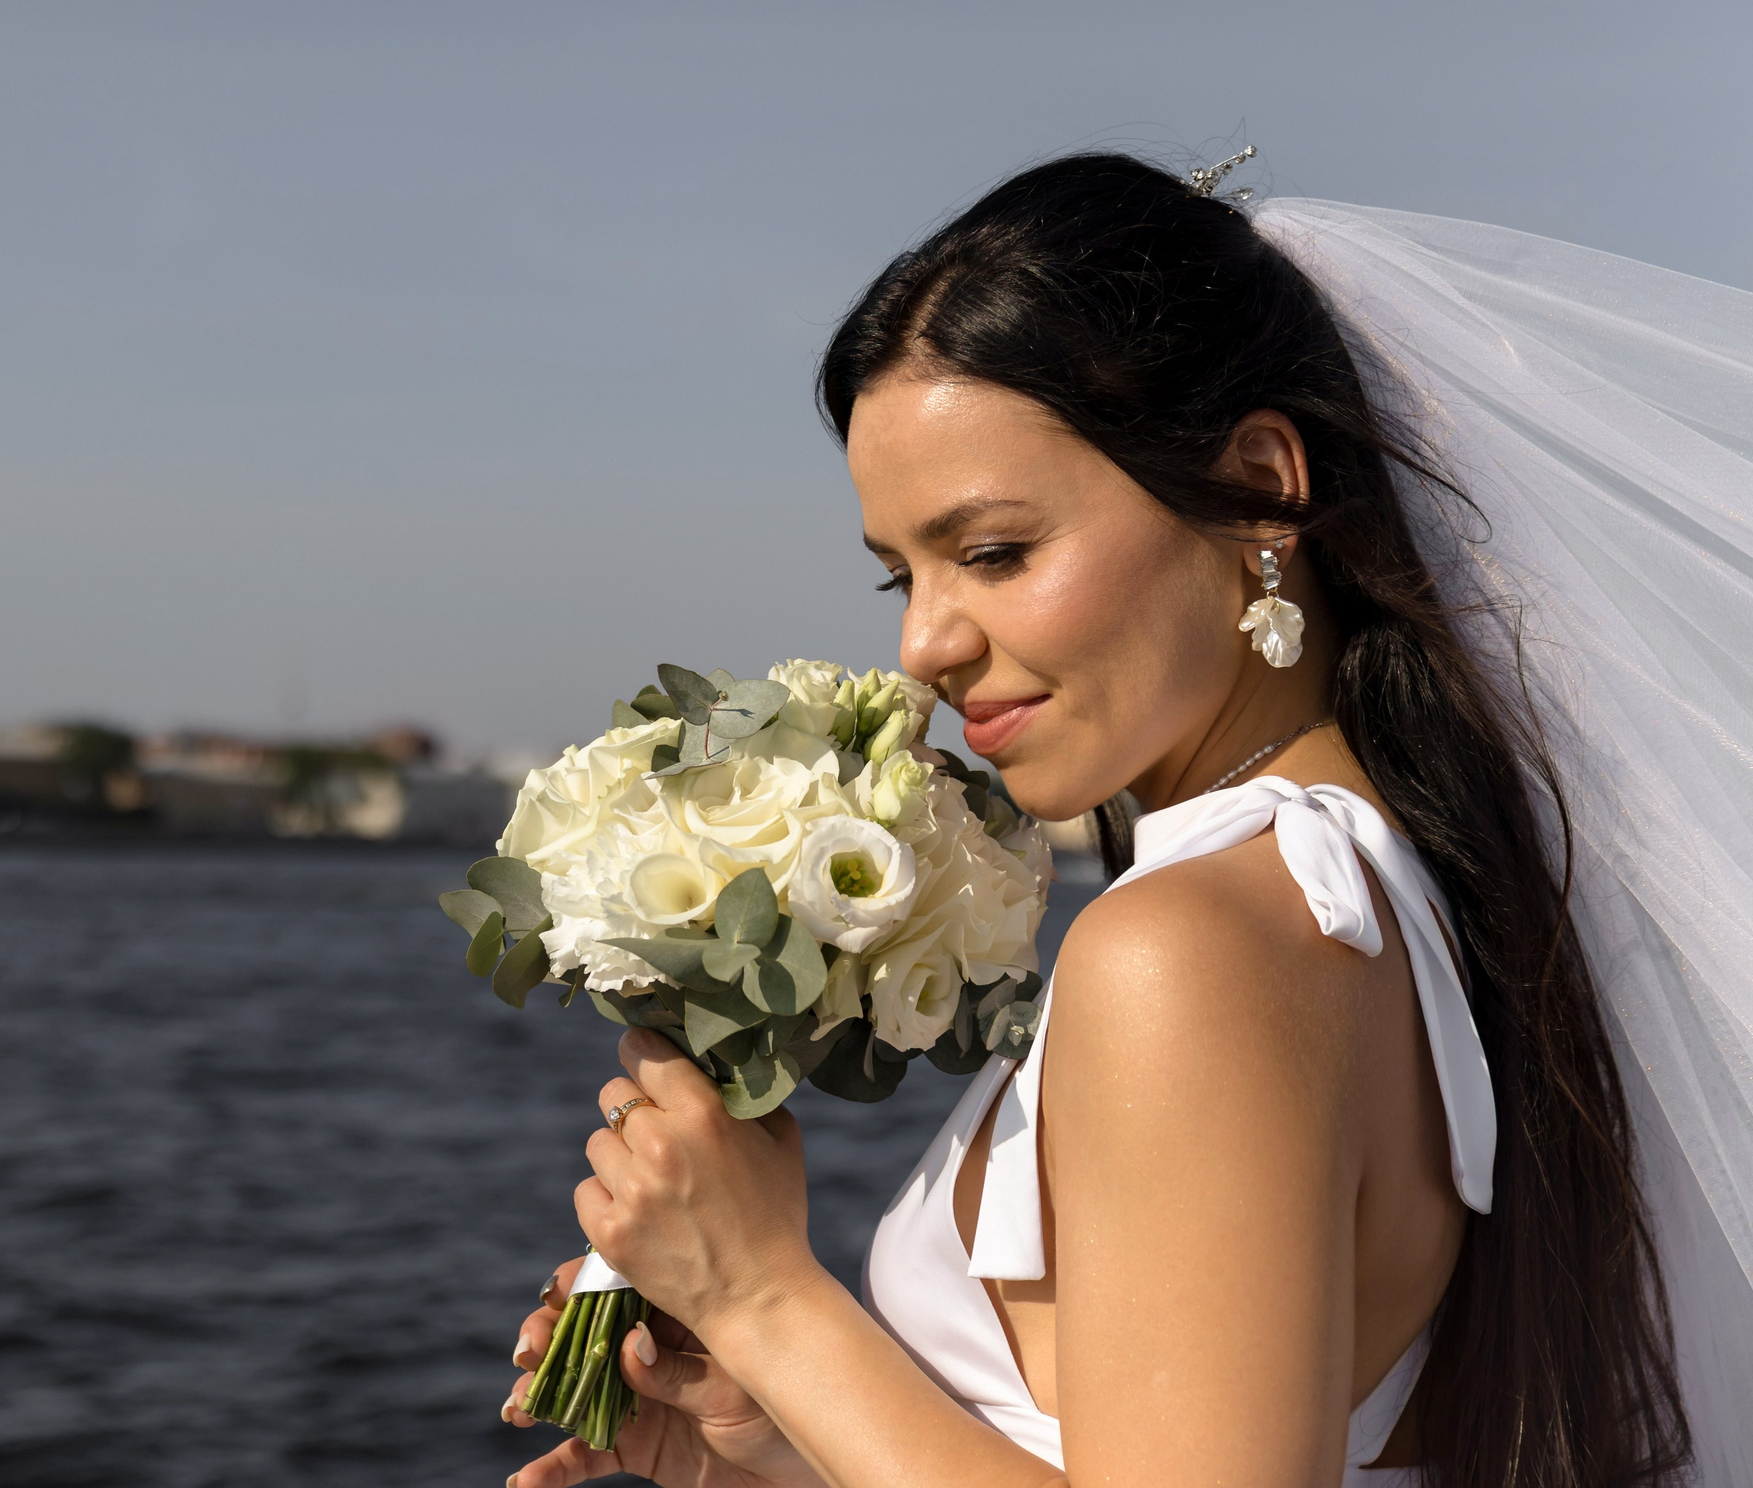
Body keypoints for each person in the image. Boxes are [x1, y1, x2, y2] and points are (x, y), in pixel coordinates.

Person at [502, 152, 1753, 1486]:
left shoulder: (1194, 948)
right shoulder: (1392, 894)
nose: (925, 645)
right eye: (898, 577)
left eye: (992, 553)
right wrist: (772, 1452)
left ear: (1263, 487)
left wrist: (769, 1298)